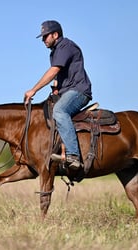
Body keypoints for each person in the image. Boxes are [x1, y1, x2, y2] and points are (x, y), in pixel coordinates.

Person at [24, 20, 92, 170]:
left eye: (45, 36)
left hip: (78, 91)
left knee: (59, 111)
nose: (43, 40)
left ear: (55, 34)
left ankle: (74, 156)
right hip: (67, 91)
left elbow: (54, 71)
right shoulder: (56, 51)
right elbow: (58, 76)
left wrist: (34, 90)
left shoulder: (65, 46)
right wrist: (55, 88)